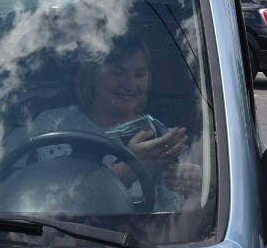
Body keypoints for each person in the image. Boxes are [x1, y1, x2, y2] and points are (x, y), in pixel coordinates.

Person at [28, 36, 200, 208]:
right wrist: (129, 168)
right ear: (91, 75)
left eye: (140, 74)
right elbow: (57, 203)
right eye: (118, 73)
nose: (131, 85)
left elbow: (173, 217)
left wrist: (194, 185)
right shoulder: (56, 125)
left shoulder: (160, 134)